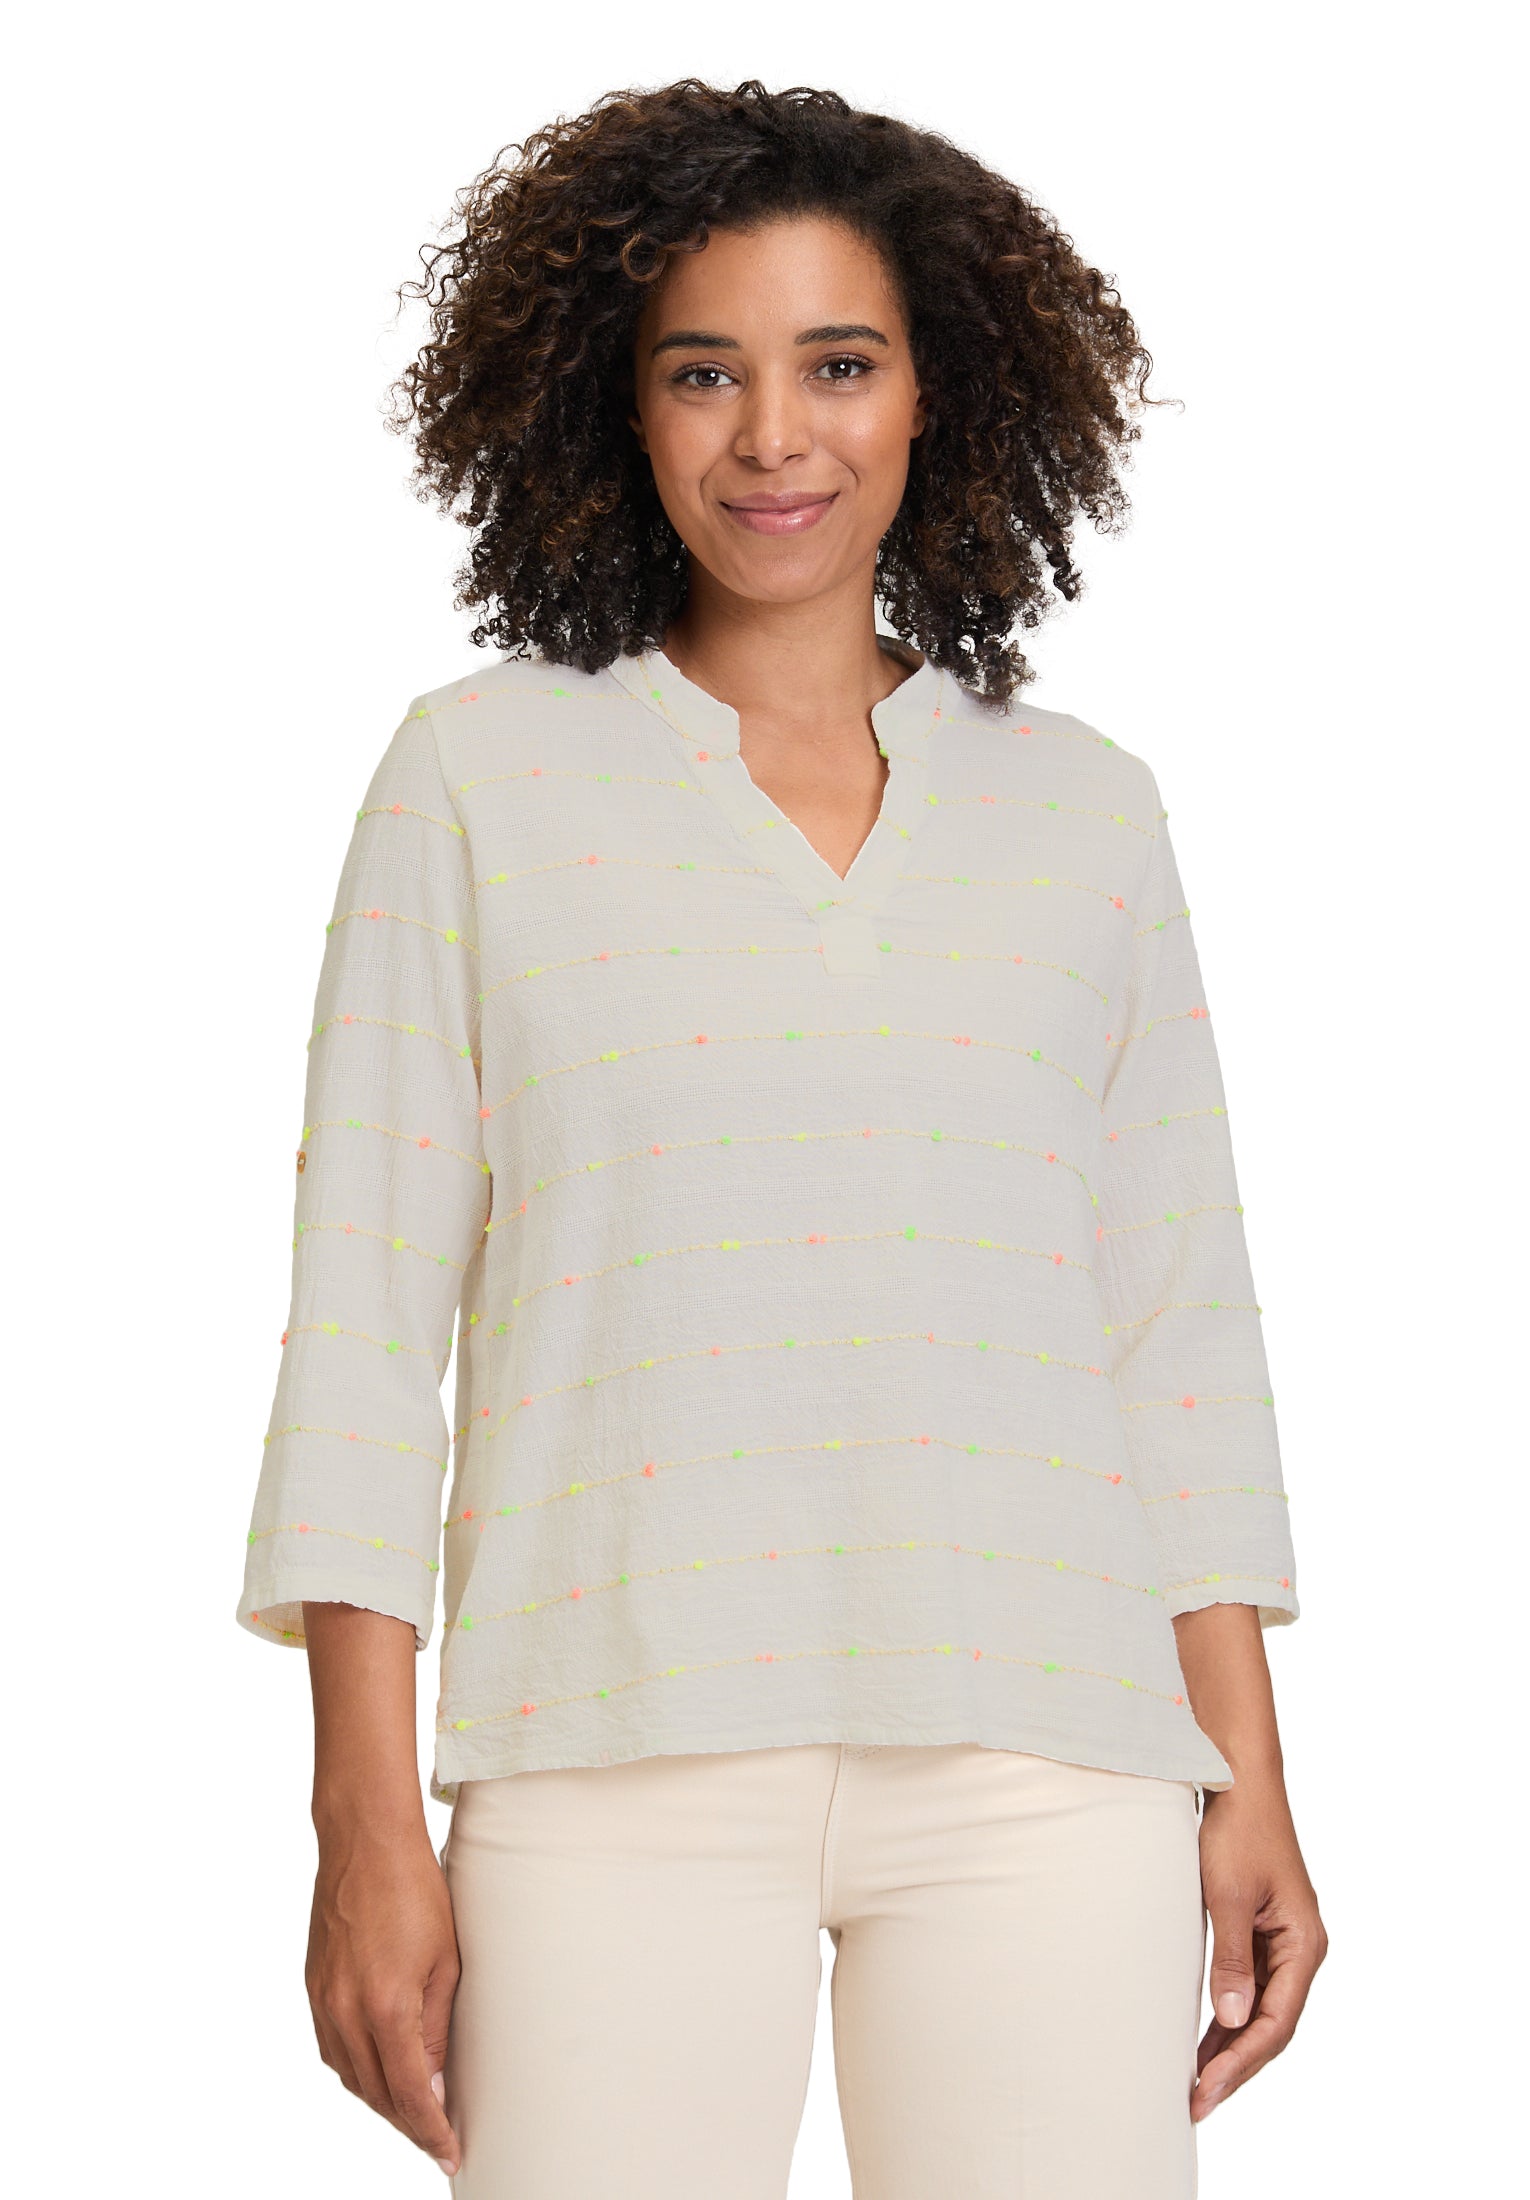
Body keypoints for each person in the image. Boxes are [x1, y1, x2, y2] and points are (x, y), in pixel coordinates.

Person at [236, 77, 1327, 2197]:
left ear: (936, 393)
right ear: (618, 405)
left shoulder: (1086, 812)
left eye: (838, 364)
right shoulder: (477, 777)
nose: (772, 438)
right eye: (701, 371)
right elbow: (362, 1331)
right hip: (609, 1743)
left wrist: (1249, 1768)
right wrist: (359, 1820)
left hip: (1051, 1754)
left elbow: (1175, 1329)